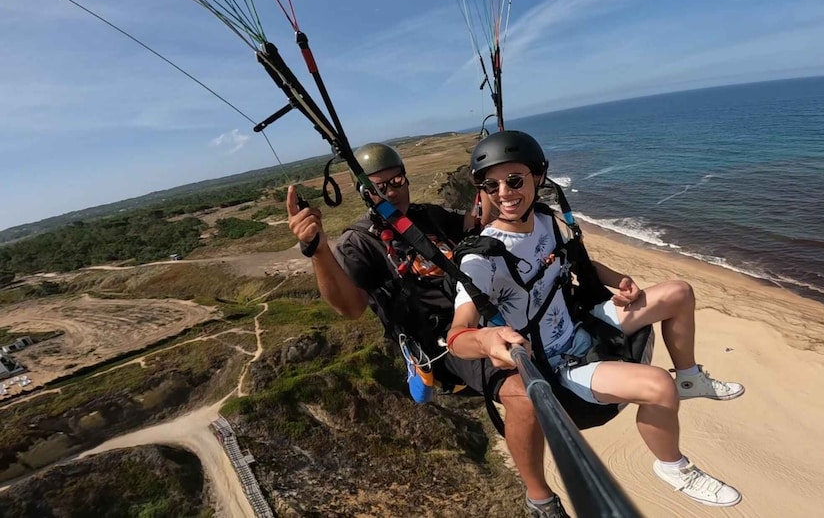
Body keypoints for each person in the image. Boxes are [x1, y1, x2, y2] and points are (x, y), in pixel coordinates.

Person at [447, 130, 746, 508]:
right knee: (657, 387)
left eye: (514, 180)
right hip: (557, 363)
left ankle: (689, 378)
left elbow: (576, 260)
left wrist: (617, 281)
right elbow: (457, 333)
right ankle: (674, 466)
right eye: (492, 185)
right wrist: (487, 340)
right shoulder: (481, 260)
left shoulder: (543, 218)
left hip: (578, 324)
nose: (504, 193)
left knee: (679, 292)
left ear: (537, 178)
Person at [286, 142, 570, 518]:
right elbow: (350, 307)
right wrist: (318, 249)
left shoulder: (427, 216)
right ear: (364, 194)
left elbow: (478, 227)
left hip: (481, 309)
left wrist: (491, 180)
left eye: (397, 181)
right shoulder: (361, 242)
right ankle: (540, 499)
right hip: (441, 342)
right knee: (521, 394)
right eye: (378, 188)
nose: (391, 192)